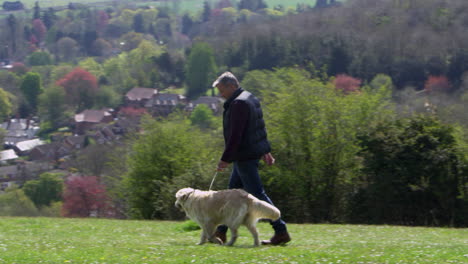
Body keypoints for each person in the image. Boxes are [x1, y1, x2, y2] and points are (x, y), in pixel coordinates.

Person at [212, 71, 291, 245]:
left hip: (244, 155)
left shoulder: (239, 104)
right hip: (249, 153)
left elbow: (236, 135)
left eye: (221, 90)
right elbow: (258, 129)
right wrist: (265, 151)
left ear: (231, 86)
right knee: (231, 194)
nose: (220, 94)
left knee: (257, 194)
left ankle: (281, 230)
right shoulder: (249, 97)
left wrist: (225, 158)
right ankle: (220, 233)